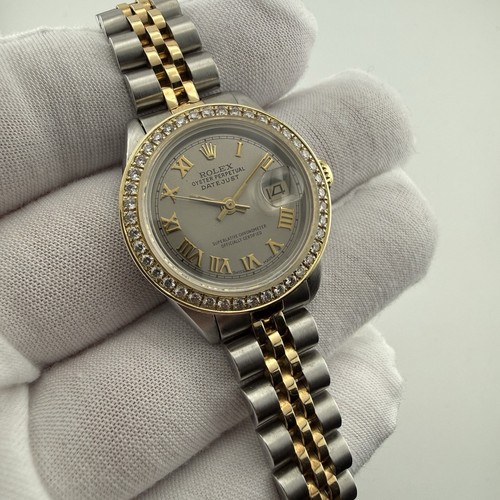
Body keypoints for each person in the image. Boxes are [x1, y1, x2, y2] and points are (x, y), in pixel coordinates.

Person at [0, 0, 436, 498]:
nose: (229, 206)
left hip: (269, 272)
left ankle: (313, 472)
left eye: (231, 202)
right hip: (219, 282)